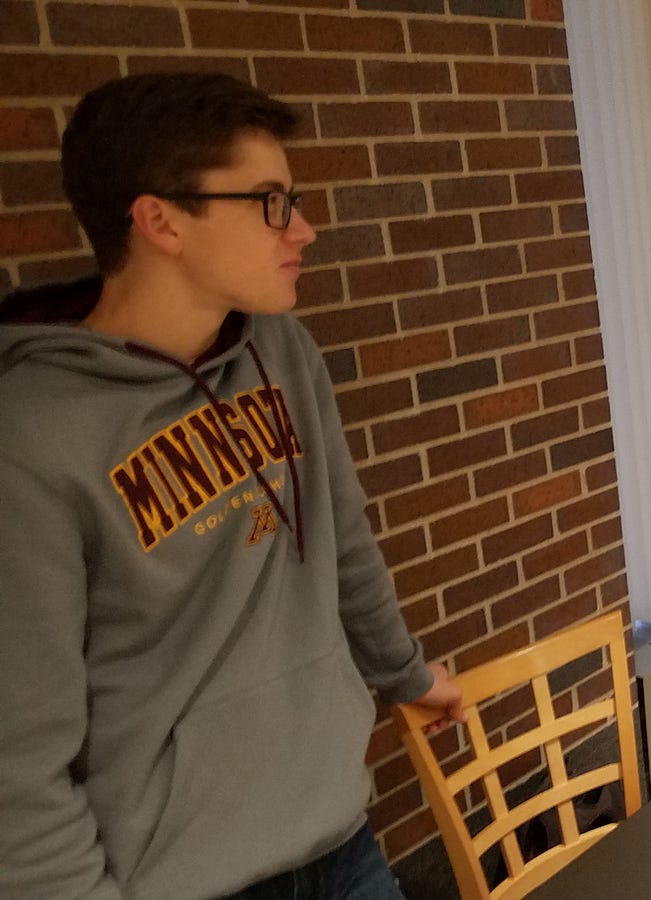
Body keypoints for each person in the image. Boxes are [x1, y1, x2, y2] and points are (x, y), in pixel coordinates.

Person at [0, 73, 466, 898]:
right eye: (271, 203)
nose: (303, 230)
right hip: (185, 880)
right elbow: (19, 758)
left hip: (342, 840)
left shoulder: (280, 350)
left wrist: (405, 673)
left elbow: (344, 540)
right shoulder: (32, 434)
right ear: (162, 221)